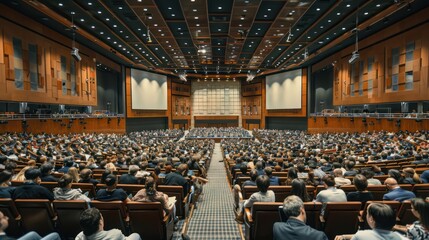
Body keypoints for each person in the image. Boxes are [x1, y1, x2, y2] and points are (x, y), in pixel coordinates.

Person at [338, 203, 408, 240]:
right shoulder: (402, 237)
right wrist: (345, 236)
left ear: (371, 219)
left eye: (367, 213)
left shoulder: (360, 235)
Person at [75, 207, 140, 240]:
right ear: (100, 222)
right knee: (136, 235)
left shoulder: (79, 237)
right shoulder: (115, 234)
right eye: (101, 217)